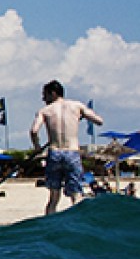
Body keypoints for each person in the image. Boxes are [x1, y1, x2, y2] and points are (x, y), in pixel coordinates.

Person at [30, 80, 103, 215]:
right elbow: (99, 121)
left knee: (54, 197)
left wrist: (37, 147)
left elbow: (34, 131)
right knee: (75, 195)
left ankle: (50, 225)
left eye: (44, 95)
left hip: (55, 152)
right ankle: (78, 225)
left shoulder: (45, 111)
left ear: (53, 94)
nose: (43, 99)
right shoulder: (76, 106)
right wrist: (81, 115)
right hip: (72, 153)